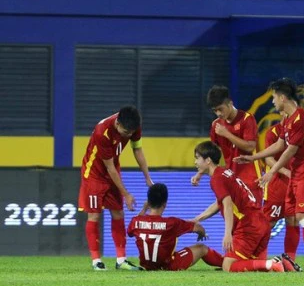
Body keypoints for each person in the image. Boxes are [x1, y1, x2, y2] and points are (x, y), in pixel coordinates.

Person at [234, 78, 304, 272]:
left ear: (282, 97)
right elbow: (279, 146)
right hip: (297, 174)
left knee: (302, 216)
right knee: (295, 217)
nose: (272, 102)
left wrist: (271, 172)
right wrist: (254, 158)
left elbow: (289, 151)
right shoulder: (288, 119)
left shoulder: (301, 119)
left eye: (273, 98)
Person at [78, 106, 153, 271]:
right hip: (94, 174)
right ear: (117, 123)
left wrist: (147, 177)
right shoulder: (102, 132)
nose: (128, 135)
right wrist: (125, 194)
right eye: (125, 132)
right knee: (94, 216)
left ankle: (121, 260)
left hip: (113, 171)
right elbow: (109, 168)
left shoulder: (133, 126)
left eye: (131, 132)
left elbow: (137, 149)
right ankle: (96, 261)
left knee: (118, 213)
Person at [192, 141, 284, 273]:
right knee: (257, 268)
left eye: (197, 158)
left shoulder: (216, 179)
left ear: (207, 161)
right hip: (261, 222)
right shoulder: (225, 172)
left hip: (249, 226)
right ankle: (282, 263)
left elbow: (228, 204)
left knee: (228, 266)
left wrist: (228, 234)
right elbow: (221, 202)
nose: (195, 162)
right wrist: (198, 219)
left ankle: (272, 263)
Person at [127, 183, 224, 271]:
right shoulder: (172, 223)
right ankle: (226, 263)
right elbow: (198, 228)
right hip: (169, 266)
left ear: (148, 202)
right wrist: (201, 233)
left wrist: (144, 209)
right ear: (165, 204)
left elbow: (130, 232)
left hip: (147, 266)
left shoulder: (135, 221)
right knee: (202, 248)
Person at [191, 85, 262, 204]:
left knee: (253, 217)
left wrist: (227, 134)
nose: (218, 113)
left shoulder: (247, 119)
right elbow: (212, 155)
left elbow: (250, 146)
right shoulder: (216, 125)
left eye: (220, 109)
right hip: (230, 178)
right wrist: (200, 173)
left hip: (251, 179)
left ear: (230, 103)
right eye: (215, 110)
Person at [262, 112, 302, 271]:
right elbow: (268, 159)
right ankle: (258, 257)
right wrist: (286, 172)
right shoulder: (272, 133)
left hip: (295, 185)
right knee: (268, 223)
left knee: (293, 221)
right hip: (276, 185)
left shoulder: (299, 133)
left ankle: (289, 260)